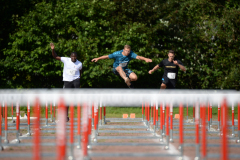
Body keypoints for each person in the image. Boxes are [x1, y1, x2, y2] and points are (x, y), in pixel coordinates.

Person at [50, 43, 83, 121]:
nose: (73, 58)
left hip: (75, 79)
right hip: (67, 81)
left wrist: (79, 78)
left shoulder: (79, 63)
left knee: (77, 84)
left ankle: (76, 99)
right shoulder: (66, 60)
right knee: (66, 100)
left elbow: (81, 71)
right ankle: (65, 116)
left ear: (76, 57)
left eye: (75, 56)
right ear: (70, 56)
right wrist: (53, 49)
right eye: (72, 56)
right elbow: (55, 56)